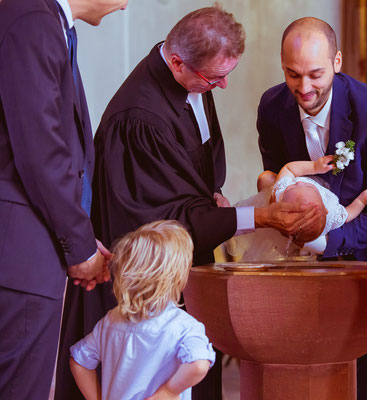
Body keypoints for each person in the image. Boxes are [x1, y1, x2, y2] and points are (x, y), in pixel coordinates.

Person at [56, 5, 323, 400]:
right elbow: (166, 221)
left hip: (187, 267)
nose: (225, 85)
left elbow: (194, 175)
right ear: (178, 62)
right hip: (145, 291)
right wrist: (258, 216)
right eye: (216, 78)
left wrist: (215, 197)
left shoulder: (192, 78)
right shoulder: (139, 120)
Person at [0, 0, 126, 398]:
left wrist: (81, 242)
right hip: (20, 254)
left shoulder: (43, 20)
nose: (126, 5)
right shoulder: (33, 20)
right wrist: (80, 246)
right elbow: (41, 153)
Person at [256, 17, 367, 398]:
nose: (304, 87)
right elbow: (278, 180)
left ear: (338, 61)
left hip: (362, 256)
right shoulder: (272, 105)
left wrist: (328, 241)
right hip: (297, 259)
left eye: (315, 74)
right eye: (292, 74)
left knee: (364, 371)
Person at [70, 220, 215, 400]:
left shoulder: (111, 321)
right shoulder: (184, 327)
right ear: (178, 275)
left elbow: (79, 362)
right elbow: (199, 364)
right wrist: (169, 391)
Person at [228, 156, 367, 261]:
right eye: (307, 186)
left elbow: (290, 169)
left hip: (278, 202)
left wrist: (314, 167)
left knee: (264, 178)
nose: (300, 183)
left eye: (295, 186)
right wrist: (362, 200)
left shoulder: (281, 192)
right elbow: (347, 214)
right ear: (326, 208)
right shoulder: (332, 212)